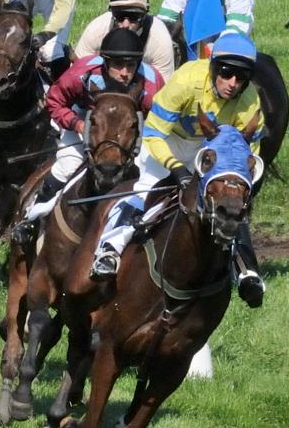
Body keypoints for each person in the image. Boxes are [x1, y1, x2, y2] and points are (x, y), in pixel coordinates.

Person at [89, 30, 266, 310]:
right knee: (144, 187)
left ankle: (247, 272)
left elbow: (248, 156)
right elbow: (154, 132)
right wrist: (177, 170)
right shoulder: (186, 79)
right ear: (214, 67)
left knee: (228, 205)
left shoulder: (250, 101)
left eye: (241, 78)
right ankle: (108, 251)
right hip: (166, 139)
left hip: (209, 153)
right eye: (227, 73)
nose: (233, 84)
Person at [11, 27, 165, 247]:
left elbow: (161, 120)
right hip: (85, 120)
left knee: (150, 175)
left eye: (131, 65)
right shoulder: (82, 73)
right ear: (104, 63)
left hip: (129, 132)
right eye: (118, 65)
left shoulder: (151, 85)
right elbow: (55, 100)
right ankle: (31, 218)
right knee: (67, 166)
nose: (124, 73)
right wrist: (78, 124)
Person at [73, 0, 176, 80]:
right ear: (112, 14)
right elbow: (76, 74)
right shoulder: (96, 29)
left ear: (144, 16)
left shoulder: (160, 39)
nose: (126, 24)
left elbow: (162, 89)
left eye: (134, 17)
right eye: (120, 16)